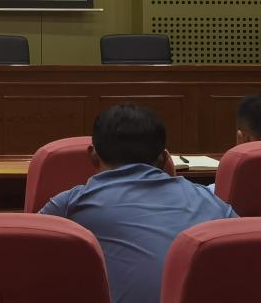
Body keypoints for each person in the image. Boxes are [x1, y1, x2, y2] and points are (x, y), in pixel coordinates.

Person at [40, 104, 236, 303]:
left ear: (93, 156)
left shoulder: (72, 203)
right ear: (163, 159)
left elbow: (28, 246)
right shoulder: (210, 201)